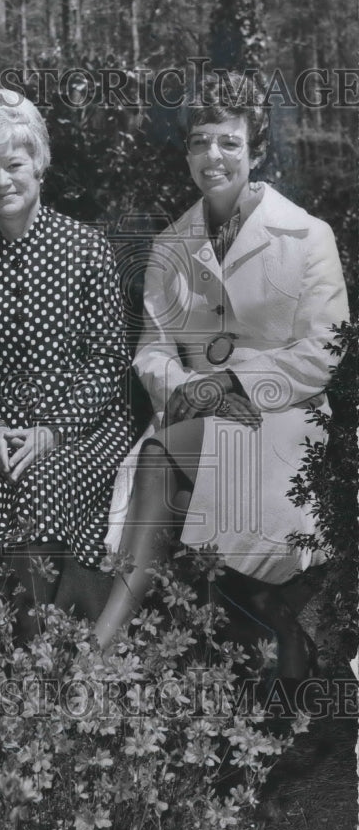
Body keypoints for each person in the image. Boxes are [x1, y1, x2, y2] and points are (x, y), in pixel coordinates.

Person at [97, 71, 349, 676]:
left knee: (168, 458)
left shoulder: (308, 236)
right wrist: (188, 387)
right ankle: (122, 641)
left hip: (286, 416)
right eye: (200, 141)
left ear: (255, 150)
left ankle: (106, 643)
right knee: (164, 456)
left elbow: (324, 349)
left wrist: (234, 383)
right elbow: (152, 350)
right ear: (187, 151)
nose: (213, 156)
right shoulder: (170, 244)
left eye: (229, 142)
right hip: (199, 413)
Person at [0, 89, 133, 643]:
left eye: (14, 164)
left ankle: (47, 652)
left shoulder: (87, 248)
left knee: (42, 488)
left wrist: (53, 431)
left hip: (81, 431)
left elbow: (110, 358)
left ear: (39, 163)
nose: (2, 181)